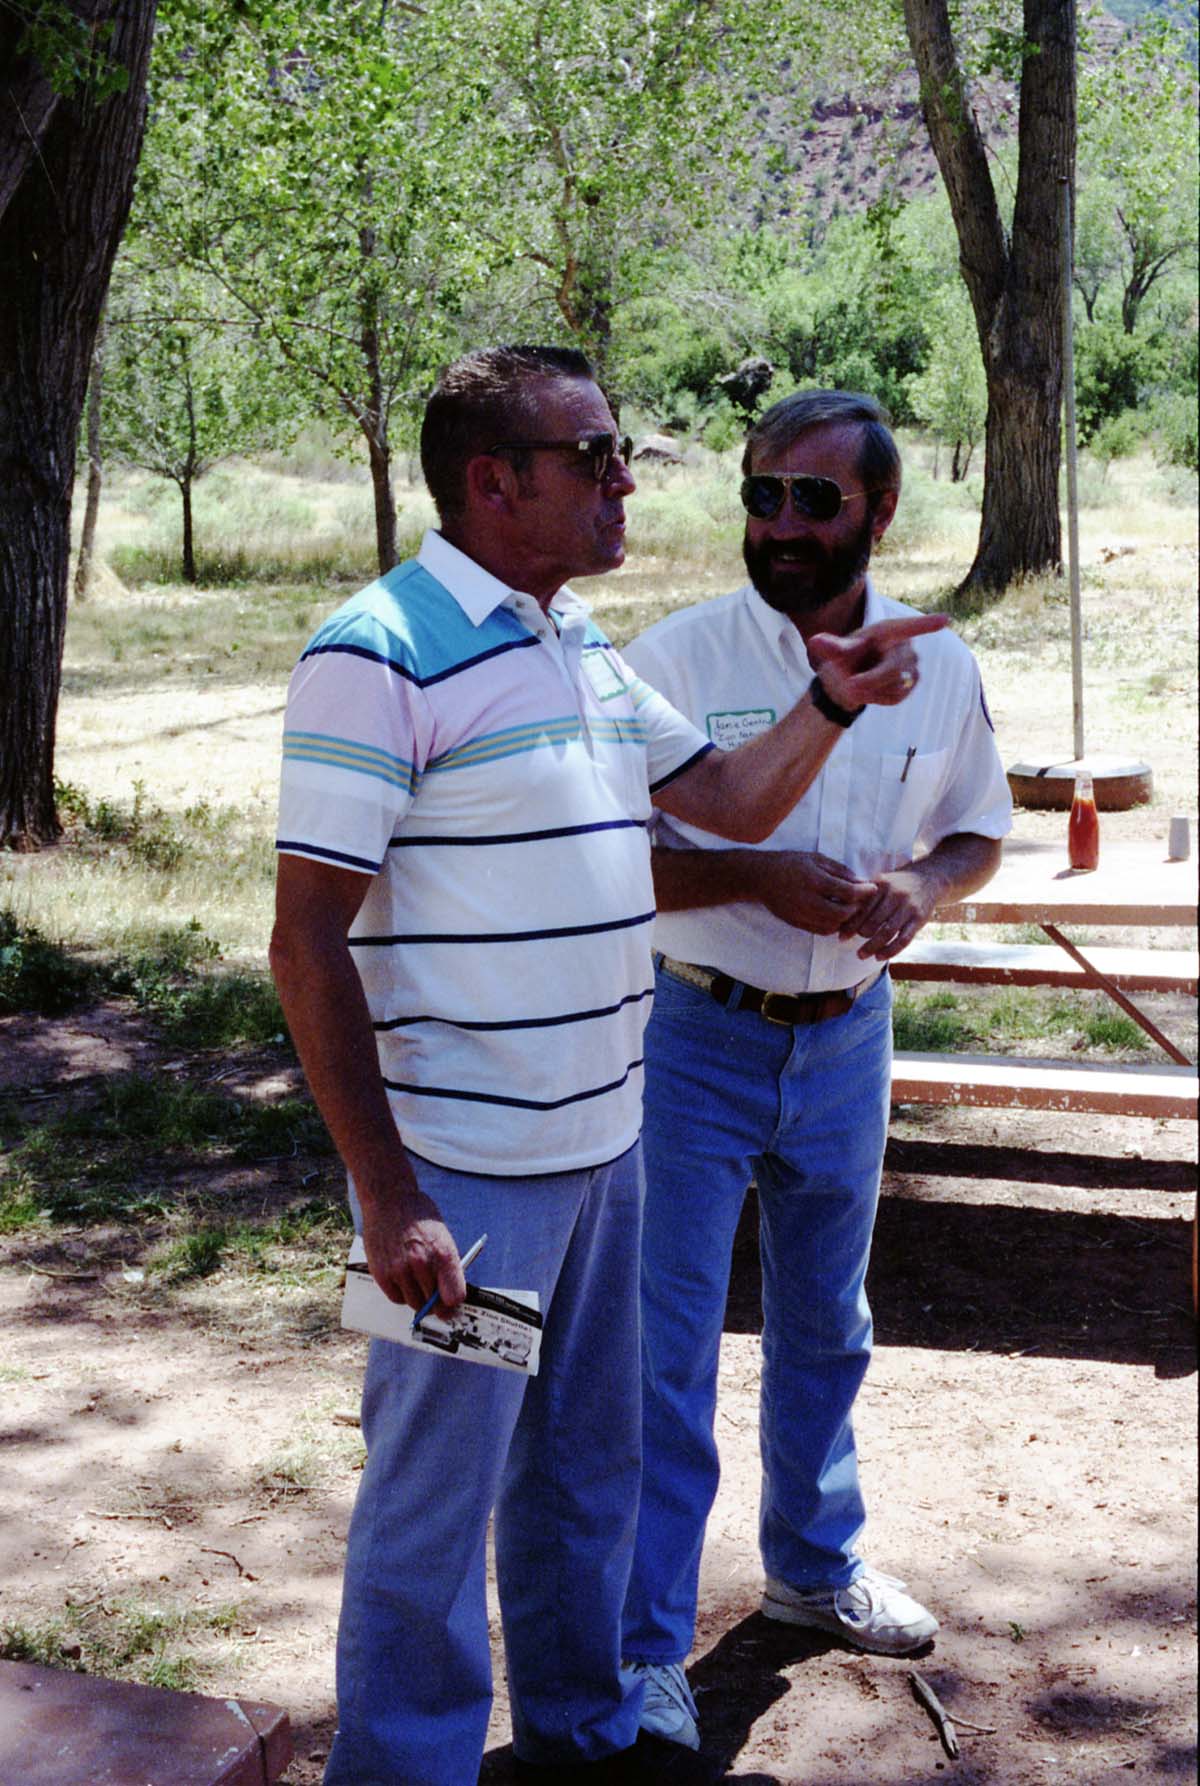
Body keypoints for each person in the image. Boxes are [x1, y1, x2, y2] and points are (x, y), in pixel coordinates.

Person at [269, 348, 941, 1786]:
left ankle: (578, 1735)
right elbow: (305, 939)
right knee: (433, 1505)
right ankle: (402, 1768)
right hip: (464, 1181)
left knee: (587, 1469)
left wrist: (828, 706)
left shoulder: (574, 640)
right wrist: (390, 1193)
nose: (627, 479)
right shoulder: (376, 652)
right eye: (594, 455)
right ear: (493, 481)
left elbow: (727, 799)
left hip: (605, 1154)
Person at [619, 389, 1012, 1753]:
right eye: (760, 494)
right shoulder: (671, 659)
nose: (779, 523)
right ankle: (645, 1646)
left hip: (847, 1036)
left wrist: (923, 885)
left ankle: (812, 1564)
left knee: (827, 1319)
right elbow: (615, 864)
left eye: (813, 498)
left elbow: (977, 830)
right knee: (664, 1345)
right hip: (690, 1033)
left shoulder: (937, 662)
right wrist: (753, 878)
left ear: (880, 511)